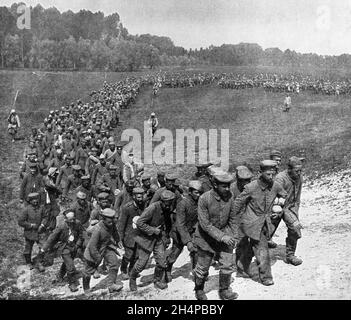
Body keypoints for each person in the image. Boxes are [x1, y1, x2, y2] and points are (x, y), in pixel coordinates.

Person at [232, 160, 287, 286]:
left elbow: (284, 195)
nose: (271, 177)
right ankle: (266, 277)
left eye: (273, 174)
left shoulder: (276, 185)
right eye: (268, 174)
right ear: (260, 173)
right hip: (249, 223)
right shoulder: (251, 187)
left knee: (251, 248)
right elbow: (237, 204)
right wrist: (234, 222)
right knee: (260, 249)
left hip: (265, 223)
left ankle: (241, 268)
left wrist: (278, 208)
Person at [192, 171, 239, 300]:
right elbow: (205, 224)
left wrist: (234, 236)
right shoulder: (204, 199)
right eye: (224, 186)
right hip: (205, 238)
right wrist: (223, 237)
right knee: (203, 267)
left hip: (225, 234)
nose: (227, 188)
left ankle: (224, 290)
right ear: (215, 185)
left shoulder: (231, 196)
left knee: (227, 264)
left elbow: (233, 218)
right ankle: (199, 290)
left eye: (229, 185)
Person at [129, 190, 175, 291]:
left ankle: (157, 280)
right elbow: (140, 223)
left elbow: (167, 223)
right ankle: (132, 278)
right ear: (162, 201)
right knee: (142, 264)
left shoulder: (167, 208)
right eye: (168, 203)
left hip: (158, 238)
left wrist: (166, 237)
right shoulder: (152, 208)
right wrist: (153, 230)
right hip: (146, 238)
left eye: (171, 202)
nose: (169, 205)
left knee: (161, 261)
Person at [166, 180, 203, 282]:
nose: (198, 195)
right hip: (179, 232)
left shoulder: (199, 202)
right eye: (196, 192)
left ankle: (196, 274)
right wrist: (187, 241)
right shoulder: (182, 204)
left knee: (195, 252)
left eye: (200, 192)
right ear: (190, 192)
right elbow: (180, 224)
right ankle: (167, 269)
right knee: (175, 254)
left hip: (192, 230)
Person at [82, 208, 124, 293]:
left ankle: (111, 285)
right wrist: (98, 258)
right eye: (109, 221)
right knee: (88, 271)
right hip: (93, 252)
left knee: (114, 263)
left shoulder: (111, 224)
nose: (111, 223)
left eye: (112, 220)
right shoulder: (98, 229)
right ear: (103, 219)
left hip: (106, 247)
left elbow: (115, 231)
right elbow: (92, 247)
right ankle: (86, 290)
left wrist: (118, 240)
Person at [41, 210, 84, 292]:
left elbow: (81, 235)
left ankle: (60, 275)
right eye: (70, 220)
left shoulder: (77, 223)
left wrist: (77, 245)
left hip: (74, 246)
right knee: (70, 265)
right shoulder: (61, 226)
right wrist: (44, 248)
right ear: (66, 219)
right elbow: (52, 238)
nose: (72, 221)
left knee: (67, 262)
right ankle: (72, 283)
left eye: (73, 219)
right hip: (64, 247)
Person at [273, 156, 304, 266]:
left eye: (300, 170)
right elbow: (274, 199)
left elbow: (297, 198)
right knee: (265, 233)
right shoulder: (280, 179)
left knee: (295, 230)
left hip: (290, 208)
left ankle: (290, 255)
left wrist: (294, 215)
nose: (299, 173)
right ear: (289, 169)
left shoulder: (299, 178)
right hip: (276, 207)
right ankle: (254, 256)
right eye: (297, 171)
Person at [118, 187, 145, 281]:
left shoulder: (144, 206)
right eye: (138, 197)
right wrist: (120, 238)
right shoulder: (126, 208)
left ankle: (131, 270)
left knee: (137, 255)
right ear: (133, 197)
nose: (140, 199)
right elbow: (121, 224)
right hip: (129, 235)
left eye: (141, 197)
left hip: (140, 235)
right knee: (128, 255)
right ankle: (123, 270)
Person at [18, 192, 45, 272]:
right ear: (30, 201)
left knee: (43, 247)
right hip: (30, 232)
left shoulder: (41, 208)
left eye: (36, 199)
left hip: (40, 232)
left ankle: (39, 262)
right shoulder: (26, 210)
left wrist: (43, 225)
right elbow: (20, 221)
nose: (35, 201)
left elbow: (46, 217)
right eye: (33, 200)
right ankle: (28, 263)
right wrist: (30, 225)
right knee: (28, 249)